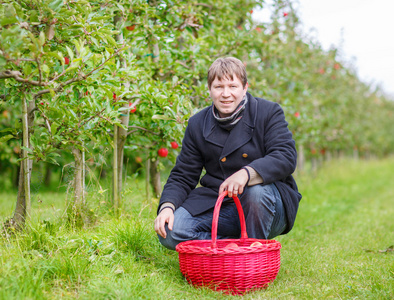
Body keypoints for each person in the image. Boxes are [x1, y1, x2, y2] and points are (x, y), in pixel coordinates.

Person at [154, 57, 301, 250]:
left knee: (255, 193)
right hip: (219, 204)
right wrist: (167, 206)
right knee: (171, 232)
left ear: (245, 87)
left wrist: (247, 173)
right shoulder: (198, 124)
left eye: (233, 86)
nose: (226, 94)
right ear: (209, 89)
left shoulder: (268, 112)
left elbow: (286, 156)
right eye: (218, 87)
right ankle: (232, 247)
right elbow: (183, 174)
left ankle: (251, 258)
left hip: (266, 206)